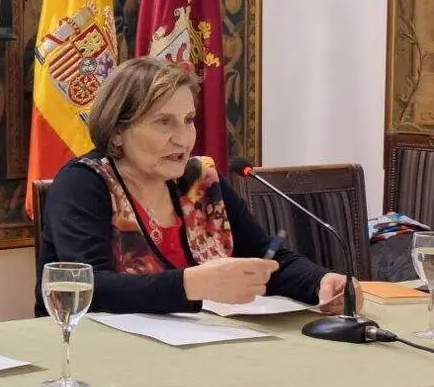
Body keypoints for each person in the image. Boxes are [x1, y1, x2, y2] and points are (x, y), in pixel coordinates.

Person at [36, 57, 361, 317]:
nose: (183, 138)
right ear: (118, 131)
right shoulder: (84, 183)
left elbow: (266, 260)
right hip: (98, 358)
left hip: (200, 351)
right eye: (164, 122)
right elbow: (89, 289)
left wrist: (320, 281)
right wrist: (192, 284)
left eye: (189, 120)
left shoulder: (200, 180)